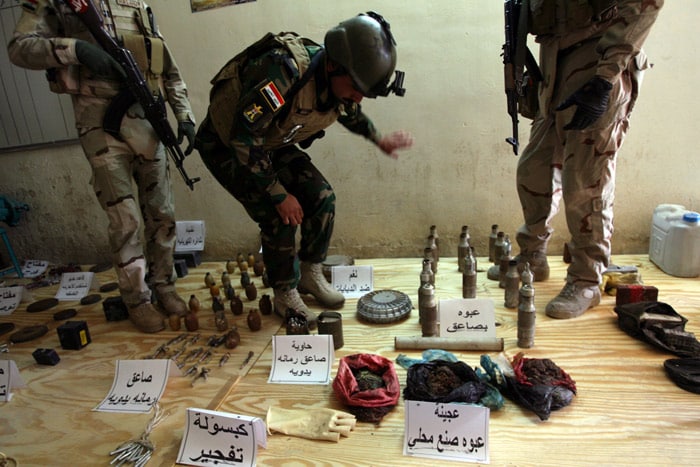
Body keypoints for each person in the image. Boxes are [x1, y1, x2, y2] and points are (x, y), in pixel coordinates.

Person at [195, 11, 413, 327]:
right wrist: (277, 193)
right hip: (227, 144)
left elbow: (351, 113)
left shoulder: (341, 81)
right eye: (356, 87)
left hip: (270, 142)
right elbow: (244, 138)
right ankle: (285, 291)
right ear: (333, 65)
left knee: (321, 197)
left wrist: (379, 140)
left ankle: (309, 273)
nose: (359, 95)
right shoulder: (282, 72)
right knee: (279, 214)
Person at [8, 0, 196, 333]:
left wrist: (184, 114)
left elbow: (166, 63)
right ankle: (138, 299)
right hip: (100, 125)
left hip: (147, 121)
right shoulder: (60, 3)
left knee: (162, 213)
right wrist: (74, 49)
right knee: (125, 220)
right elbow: (19, 48)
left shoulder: (137, 4)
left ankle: (164, 285)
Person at [514, 0, 664, 319]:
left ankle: (586, 280)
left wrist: (604, 79)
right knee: (533, 171)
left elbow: (645, 5)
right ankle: (533, 255)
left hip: (599, 60)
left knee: (585, 182)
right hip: (553, 64)